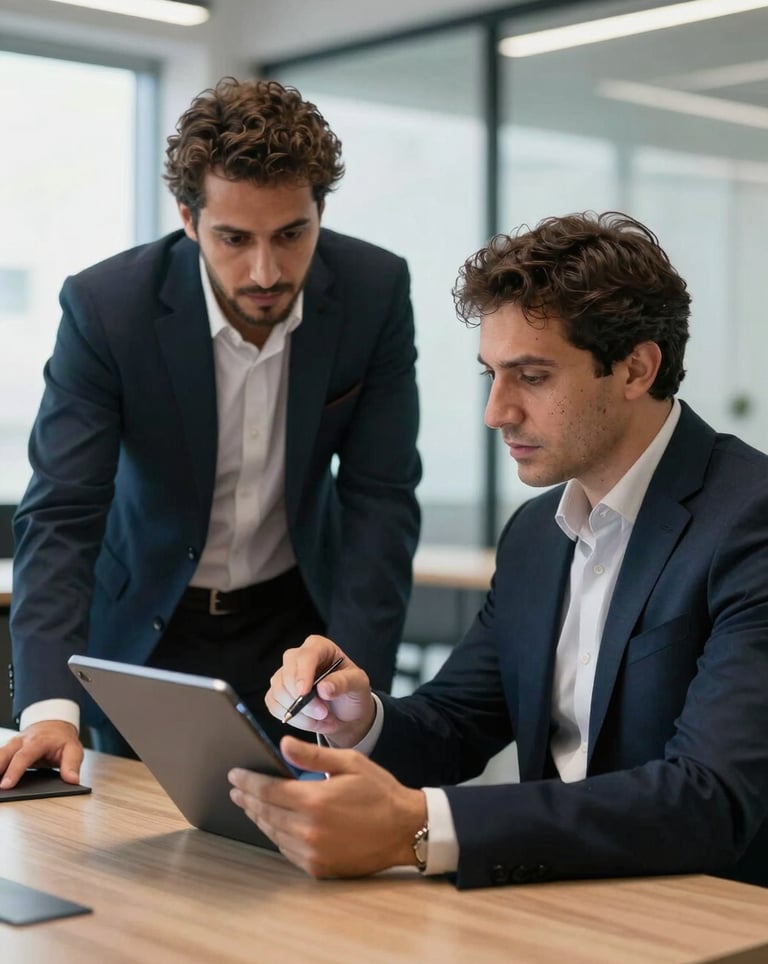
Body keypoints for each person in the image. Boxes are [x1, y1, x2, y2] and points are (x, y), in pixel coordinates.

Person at [226, 211, 768, 890]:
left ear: (636, 368)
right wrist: (358, 717)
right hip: (558, 900)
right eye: (492, 375)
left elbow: (709, 800)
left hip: (710, 916)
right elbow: (455, 725)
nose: (497, 412)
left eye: (532, 376)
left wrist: (425, 826)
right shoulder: (536, 534)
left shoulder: (750, 521)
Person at [0, 77, 421, 787]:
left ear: (320, 211)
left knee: (303, 837)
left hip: (297, 632)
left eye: (292, 234)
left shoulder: (373, 291)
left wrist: (355, 679)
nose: (266, 270)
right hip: (144, 631)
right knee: (138, 840)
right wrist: (47, 709)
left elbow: (381, 501)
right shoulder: (109, 308)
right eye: (234, 238)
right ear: (189, 219)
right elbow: (64, 511)